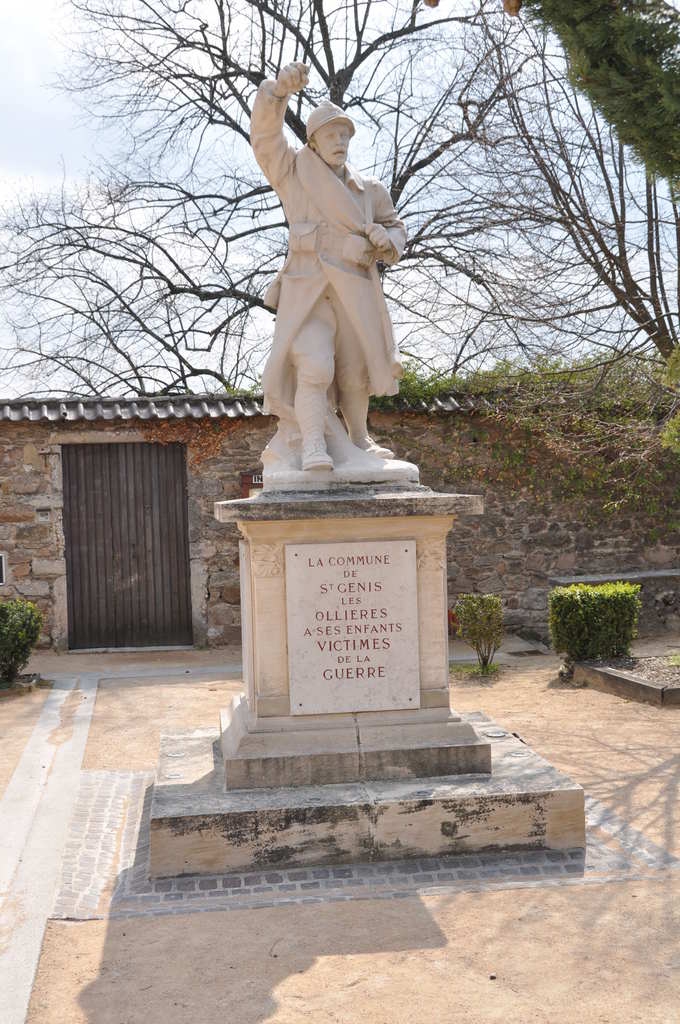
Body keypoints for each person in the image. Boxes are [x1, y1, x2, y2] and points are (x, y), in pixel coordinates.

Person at [250, 61, 406, 472]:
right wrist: (277, 94)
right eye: (330, 134)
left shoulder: (368, 189)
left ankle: (358, 438)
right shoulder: (294, 172)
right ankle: (314, 445)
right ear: (313, 141)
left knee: (355, 373)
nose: (339, 140)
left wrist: (386, 242)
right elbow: (266, 140)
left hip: (354, 287)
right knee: (315, 366)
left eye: (344, 134)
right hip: (307, 286)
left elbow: (395, 228)